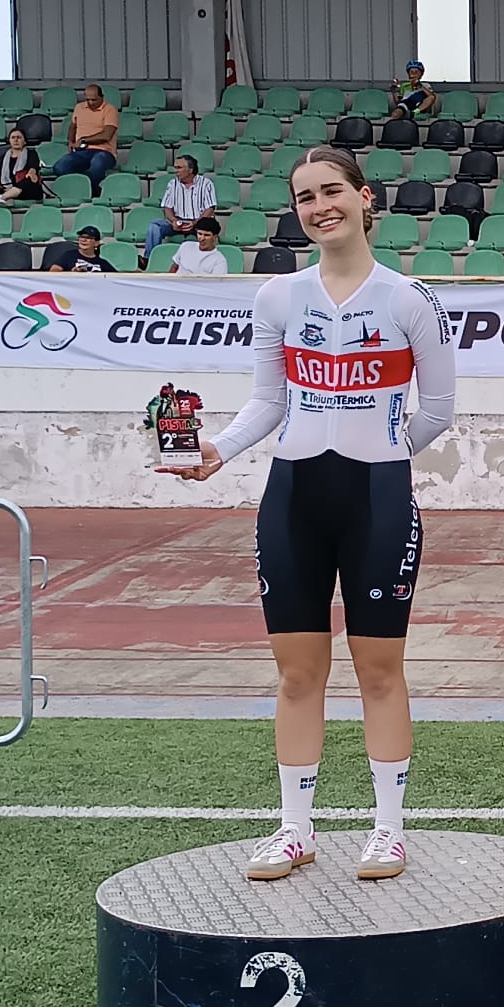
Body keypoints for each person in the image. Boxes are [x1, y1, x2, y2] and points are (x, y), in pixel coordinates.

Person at [159, 144, 458, 885]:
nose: (319, 206)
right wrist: (217, 452)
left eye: (332, 191)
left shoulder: (409, 300)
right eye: (305, 197)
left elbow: (440, 413)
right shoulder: (278, 299)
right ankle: (296, 830)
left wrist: (388, 452)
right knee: (297, 676)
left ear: (365, 199)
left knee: (379, 669)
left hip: (378, 502)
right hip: (291, 499)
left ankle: (387, 831)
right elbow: (268, 400)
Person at [146, 154, 218, 261]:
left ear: (190, 170)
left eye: (179, 168)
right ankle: (149, 259)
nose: (175, 171)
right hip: (178, 221)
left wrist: (195, 223)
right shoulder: (172, 184)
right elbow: (167, 207)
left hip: (198, 222)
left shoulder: (206, 184)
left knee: (208, 228)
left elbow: (210, 208)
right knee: (155, 225)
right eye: (175, 167)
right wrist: (174, 221)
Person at [51, 85, 119, 194]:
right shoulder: (79, 108)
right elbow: (73, 126)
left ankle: (88, 191)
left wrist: (84, 140)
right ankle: (89, 189)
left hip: (104, 151)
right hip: (81, 151)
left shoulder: (110, 110)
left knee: (97, 165)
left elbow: (106, 135)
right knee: (60, 168)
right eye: (88, 100)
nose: (91, 103)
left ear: (102, 97)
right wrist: (70, 141)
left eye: (94, 100)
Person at [0, 127, 44, 207]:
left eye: (19, 137)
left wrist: (32, 172)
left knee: (28, 180)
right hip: (6, 188)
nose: (16, 140)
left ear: (25, 141)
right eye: (13, 137)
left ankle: (2, 198)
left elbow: (33, 167)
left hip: (25, 190)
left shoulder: (31, 153)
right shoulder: (4, 156)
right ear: (9, 140)